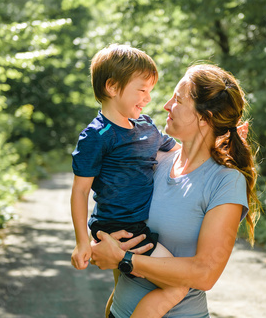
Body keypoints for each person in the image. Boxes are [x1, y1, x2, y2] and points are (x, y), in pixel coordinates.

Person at [90, 64, 260, 318]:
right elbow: (115, 219)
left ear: (206, 117)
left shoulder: (225, 181)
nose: (166, 105)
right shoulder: (153, 159)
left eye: (178, 100)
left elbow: (205, 273)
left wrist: (124, 260)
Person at [69, 44, 187, 318]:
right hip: (118, 228)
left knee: (124, 290)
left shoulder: (146, 126)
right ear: (112, 87)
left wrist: (220, 141)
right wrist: (81, 242)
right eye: (141, 89)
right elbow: (80, 191)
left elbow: (180, 151)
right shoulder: (96, 136)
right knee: (179, 284)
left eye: (150, 90)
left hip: (141, 222)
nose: (148, 98)